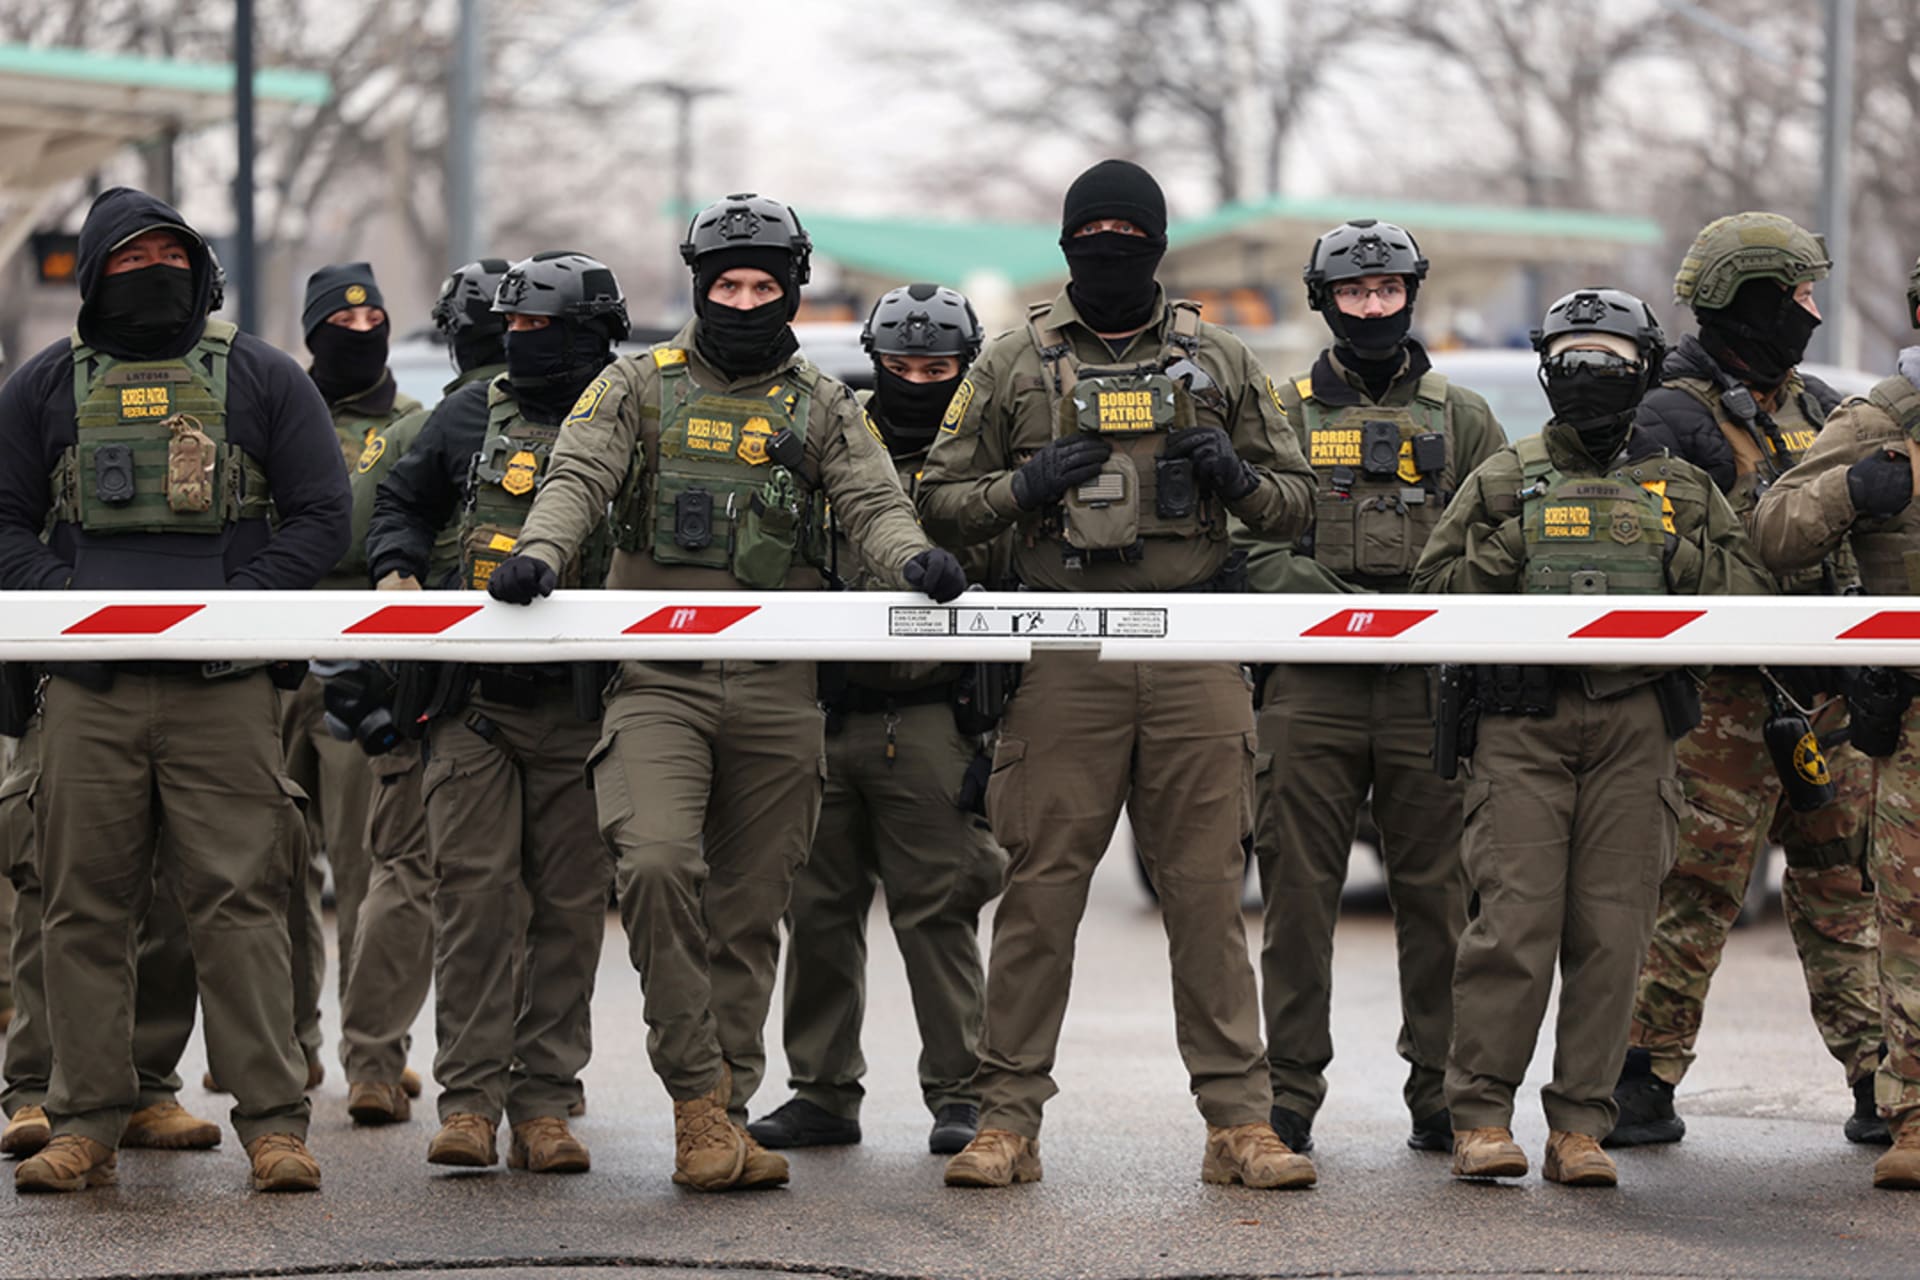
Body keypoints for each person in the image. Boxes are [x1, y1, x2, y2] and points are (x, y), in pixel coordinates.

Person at [484, 193, 963, 1192]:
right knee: (656, 865)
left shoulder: (821, 403)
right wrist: (541, 552)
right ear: (700, 288)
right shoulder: (635, 386)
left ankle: (726, 1115)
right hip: (660, 682)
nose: (744, 301)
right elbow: (575, 477)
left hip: (781, 688)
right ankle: (697, 1094)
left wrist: (913, 560)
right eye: (727, 285)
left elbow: (873, 500)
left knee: (749, 913)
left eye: (763, 285)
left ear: (790, 289)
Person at [916, 158, 1318, 1191]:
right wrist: (1024, 485)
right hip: (1066, 655)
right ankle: (1005, 1117)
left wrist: (1233, 472)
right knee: (1040, 892)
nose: (1109, 249)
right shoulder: (1013, 361)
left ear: (1157, 246)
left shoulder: (1219, 356)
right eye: (1090, 233)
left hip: (1191, 649)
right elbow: (938, 501)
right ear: (1065, 246)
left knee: (1206, 892)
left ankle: (1240, 1120)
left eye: (1127, 234)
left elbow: (1295, 503)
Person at [0, 186, 350, 1193]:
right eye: (127, 256)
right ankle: (84, 1120)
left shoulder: (263, 378)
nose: (148, 269)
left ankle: (277, 1123)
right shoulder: (42, 388)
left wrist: (239, 605)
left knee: (241, 903)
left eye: (167, 252)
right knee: (81, 909)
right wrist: (63, 600)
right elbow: (4, 521)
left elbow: (321, 516)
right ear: (94, 272)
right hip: (89, 691)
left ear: (198, 267)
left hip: (224, 689)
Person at [1412, 287, 1770, 1188]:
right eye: (1571, 358)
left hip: (1636, 724)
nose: (1588, 375)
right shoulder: (1504, 476)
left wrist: (1666, 555)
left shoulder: (1683, 489)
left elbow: (1751, 604)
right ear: (1546, 370)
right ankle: (1482, 1118)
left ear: (1643, 369)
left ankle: (1580, 1124)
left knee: (1614, 933)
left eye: (1609, 359)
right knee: (1513, 927)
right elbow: (1429, 593)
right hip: (1520, 725)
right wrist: (1512, 550)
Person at [1610, 213, 1882, 1150]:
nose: (1810, 312)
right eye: (1798, 296)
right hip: (1722, 700)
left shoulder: (1812, 406)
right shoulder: (1669, 413)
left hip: (1824, 692)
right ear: (1753, 299)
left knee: (1846, 884)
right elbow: (1684, 553)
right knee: (1698, 884)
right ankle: (1641, 1073)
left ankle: (1879, 1077)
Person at [1235, 220, 1506, 1156]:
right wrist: (1339, 606)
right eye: (1356, 294)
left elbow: (1499, 542)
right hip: (1310, 684)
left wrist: (1424, 613)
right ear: (1326, 302)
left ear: (1412, 294)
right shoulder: (1277, 413)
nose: (1374, 308)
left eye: (1389, 291)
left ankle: (1440, 1090)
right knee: (1297, 897)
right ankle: (1290, 1093)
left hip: (1428, 688)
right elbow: (1248, 546)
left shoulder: (1464, 416)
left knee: (1439, 896)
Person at [367, 251, 627, 1172]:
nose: (521, 344)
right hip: (474, 704)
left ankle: (546, 1105)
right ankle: (469, 1102)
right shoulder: (470, 413)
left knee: (566, 911)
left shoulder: (634, 412)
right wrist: (397, 568)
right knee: (474, 903)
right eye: (512, 328)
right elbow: (403, 497)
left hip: (585, 709)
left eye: (540, 330)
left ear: (594, 335)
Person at [749, 284, 1009, 1158]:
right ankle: (822, 1090)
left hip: (936, 716)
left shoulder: (987, 454)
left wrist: (997, 745)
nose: (917, 382)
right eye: (899, 367)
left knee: (939, 909)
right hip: (823, 710)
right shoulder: (824, 435)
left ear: (964, 369)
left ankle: (961, 1093)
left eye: (938, 369)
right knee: (816, 908)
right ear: (873, 360)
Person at [1748, 253, 1920, 1189]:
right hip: (1912, 716)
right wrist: (1853, 492)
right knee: (1907, 923)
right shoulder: (1882, 418)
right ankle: (1915, 1114)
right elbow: (1773, 534)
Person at [335, 257, 513, 1126]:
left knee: (404, 869)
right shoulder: (584, 412)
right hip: (545, 691)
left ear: (451, 336)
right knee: (533, 880)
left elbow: (352, 541)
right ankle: (533, 1077)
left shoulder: (425, 428)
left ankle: (373, 1064)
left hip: (426, 687)